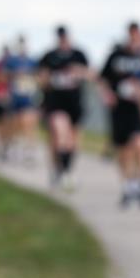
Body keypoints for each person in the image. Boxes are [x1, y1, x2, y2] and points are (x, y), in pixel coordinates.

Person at [98, 22, 140, 208]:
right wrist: (106, 94)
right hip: (120, 109)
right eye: (132, 35)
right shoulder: (116, 56)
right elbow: (102, 79)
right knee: (124, 150)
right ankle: (129, 185)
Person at [38, 26, 89, 190]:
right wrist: (47, 79)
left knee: (72, 141)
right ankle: (63, 172)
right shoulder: (49, 56)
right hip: (55, 102)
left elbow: (91, 74)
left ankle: (65, 169)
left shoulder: (79, 55)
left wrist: (78, 73)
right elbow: (41, 79)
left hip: (74, 103)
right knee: (60, 134)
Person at [5, 35, 41, 165]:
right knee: (15, 124)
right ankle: (13, 147)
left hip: (29, 97)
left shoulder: (33, 61)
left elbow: (39, 76)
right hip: (15, 97)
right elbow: (4, 76)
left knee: (28, 123)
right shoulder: (12, 61)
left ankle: (29, 151)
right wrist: (15, 74)